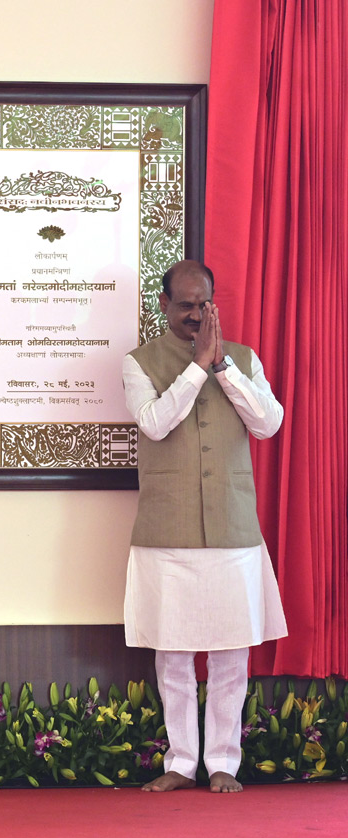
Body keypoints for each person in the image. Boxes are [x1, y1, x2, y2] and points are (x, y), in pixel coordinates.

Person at [122, 259, 286, 793]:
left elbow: (268, 423)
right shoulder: (139, 363)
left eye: (204, 304)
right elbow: (153, 423)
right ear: (164, 305)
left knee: (230, 654)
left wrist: (221, 369)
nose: (196, 314)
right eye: (186, 304)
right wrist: (195, 367)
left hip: (232, 527)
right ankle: (178, 763)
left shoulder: (243, 359)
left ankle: (223, 764)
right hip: (167, 530)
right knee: (172, 654)